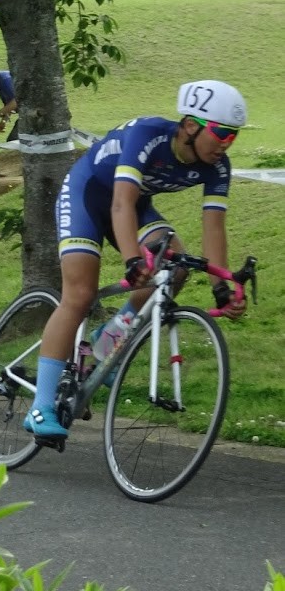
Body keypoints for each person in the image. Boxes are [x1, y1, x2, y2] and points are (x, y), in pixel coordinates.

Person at [22, 80, 249, 438]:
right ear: (191, 126)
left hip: (135, 207)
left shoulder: (218, 167)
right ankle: (41, 406)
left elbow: (214, 228)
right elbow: (121, 203)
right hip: (87, 196)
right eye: (221, 133)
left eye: (233, 136)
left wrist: (222, 287)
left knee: (175, 266)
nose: (226, 143)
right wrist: (132, 260)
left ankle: (108, 339)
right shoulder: (148, 135)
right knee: (80, 295)